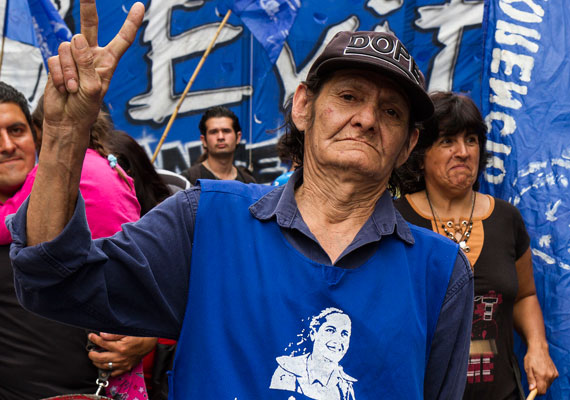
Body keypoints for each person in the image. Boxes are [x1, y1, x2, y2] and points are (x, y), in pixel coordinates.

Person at [8, 2, 474, 398]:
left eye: (391, 111)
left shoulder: (440, 272)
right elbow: (54, 279)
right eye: (348, 96)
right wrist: (66, 136)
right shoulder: (206, 220)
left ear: (410, 144)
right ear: (303, 106)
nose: (367, 119)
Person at [394, 91, 558, 399]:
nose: (463, 152)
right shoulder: (394, 222)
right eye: (447, 141)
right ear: (420, 153)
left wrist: (538, 347)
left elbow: (525, 295)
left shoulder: (506, 218)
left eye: (471, 140)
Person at [0, 81, 153, 399]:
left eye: (17, 130)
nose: (7, 145)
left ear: (36, 135)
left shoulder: (55, 182)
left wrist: (149, 335)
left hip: (105, 368)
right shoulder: (100, 165)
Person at [270, 307, 355, 400]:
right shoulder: (288, 370)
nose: (338, 339)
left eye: (344, 334)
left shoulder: (345, 385)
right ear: (313, 333)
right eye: (330, 330)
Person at [180, 106, 256, 184]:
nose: (220, 137)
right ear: (204, 140)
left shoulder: (248, 182)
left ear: (238, 137)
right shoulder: (189, 180)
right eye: (214, 132)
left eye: (226, 131)